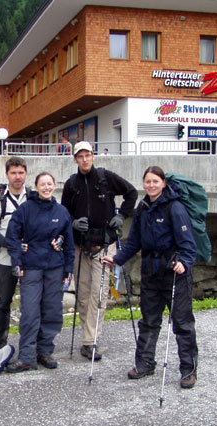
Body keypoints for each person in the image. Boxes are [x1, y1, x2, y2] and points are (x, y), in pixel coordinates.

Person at [102, 166, 199, 389]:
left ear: (163, 183)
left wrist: (184, 262)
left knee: (182, 323)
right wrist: (116, 259)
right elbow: (134, 241)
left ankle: (189, 369)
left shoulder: (175, 208)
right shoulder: (143, 208)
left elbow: (188, 244)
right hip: (150, 273)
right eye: (148, 181)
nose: (151, 185)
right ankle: (145, 363)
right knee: (149, 321)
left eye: (155, 181)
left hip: (174, 274)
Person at [61, 141, 137, 361]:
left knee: (99, 295)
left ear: (93, 156)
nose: (85, 159)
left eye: (88, 155)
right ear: (75, 159)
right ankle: (89, 338)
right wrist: (73, 222)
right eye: (80, 156)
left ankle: (90, 342)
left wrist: (121, 215)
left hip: (104, 245)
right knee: (83, 297)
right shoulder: (71, 183)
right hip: (80, 246)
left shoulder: (105, 177)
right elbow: (64, 212)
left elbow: (131, 192)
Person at [5, 172, 75, 372]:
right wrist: (17, 259)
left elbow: (69, 243)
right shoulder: (25, 210)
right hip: (31, 268)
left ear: (54, 186)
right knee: (29, 311)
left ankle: (45, 351)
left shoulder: (62, 212)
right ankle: (27, 356)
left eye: (49, 184)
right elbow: (12, 237)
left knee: (52, 310)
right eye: (42, 184)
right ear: (35, 187)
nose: (46, 187)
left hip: (55, 268)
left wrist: (68, 269)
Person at [0, 157, 30, 350]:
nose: (17, 177)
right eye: (13, 172)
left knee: (31, 304)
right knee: (3, 303)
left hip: (30, 259)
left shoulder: (33, 197)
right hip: (5, 259)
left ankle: (30, 345)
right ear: (7, 174)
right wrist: (12, 246)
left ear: (26, 174)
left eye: (21, 172)